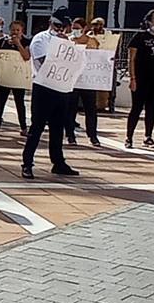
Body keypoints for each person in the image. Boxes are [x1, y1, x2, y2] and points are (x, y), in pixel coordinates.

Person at [21, 11, 78, 179]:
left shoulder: (68, 41)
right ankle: (27, 163)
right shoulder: (40, 39)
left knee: (58, 127)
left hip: (61, 87)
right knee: (37, 127)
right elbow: (46, 62)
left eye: (63, 27)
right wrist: (61, 45)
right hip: (44, 87)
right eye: (57, 26)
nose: (60, 30)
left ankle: (58, 162)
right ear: (50, 23)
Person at [125, 9, 154, 149]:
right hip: (141, 78)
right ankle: (129, 137)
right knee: (136, 108)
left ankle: (148, 137)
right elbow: (131, 58)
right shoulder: (140, 37)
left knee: (151, 109)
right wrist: (132, 78)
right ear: (149, 21)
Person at [0, 20, 30, 137]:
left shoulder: (26, 41)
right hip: (4, 76)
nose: (15, 32)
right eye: (13, 30)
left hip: (18, 77)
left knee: (19, 102)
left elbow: (26, 56)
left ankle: (23, 127)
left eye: (18, 30)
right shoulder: (2, 41)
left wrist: (18, 44)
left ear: (22, 31)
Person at [65, 17, 101, 147]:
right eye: (73, 28)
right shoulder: (68, 41)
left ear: (84, 28)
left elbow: (98, 59)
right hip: (72, 80)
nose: (75, 31)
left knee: (90, 109)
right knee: (70, 108)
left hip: (88, 81)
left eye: (78, 28)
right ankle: (70, 135)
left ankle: (93, 136)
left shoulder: (92, 42)